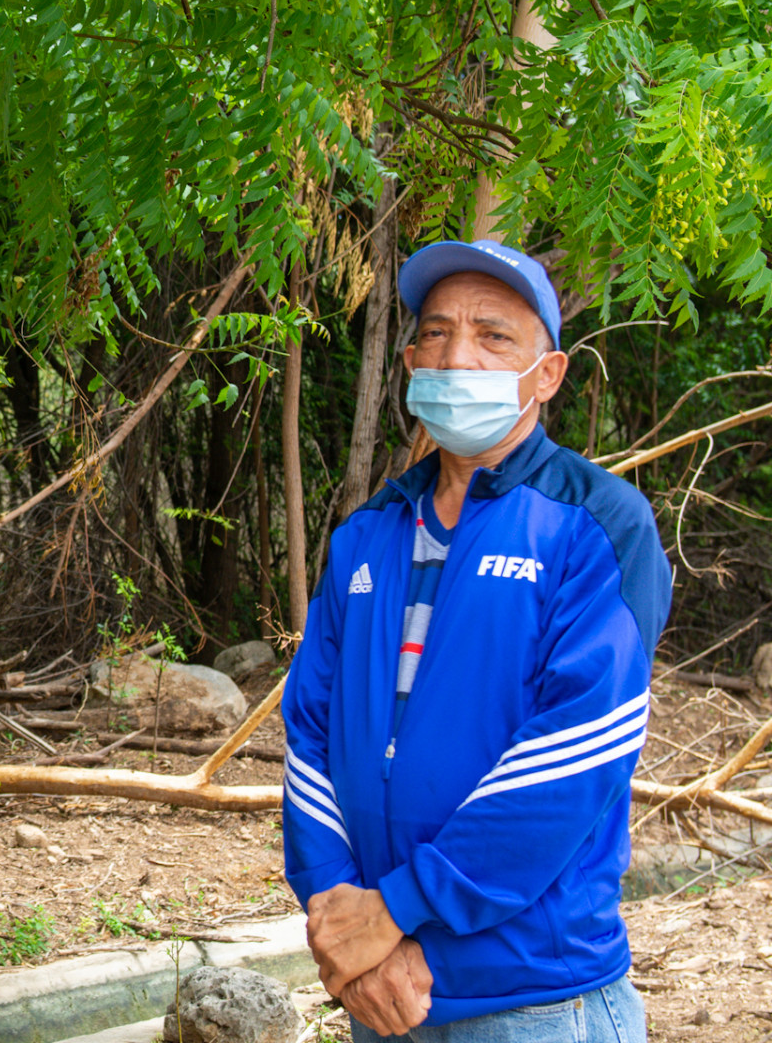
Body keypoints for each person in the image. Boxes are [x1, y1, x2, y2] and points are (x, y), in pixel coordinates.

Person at [281, 239, 668, 1042]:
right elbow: (309, 738)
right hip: (381, 994)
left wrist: (397, 909)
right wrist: (342, 919)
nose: (457, 356)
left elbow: (577, 753)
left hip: (532, 999)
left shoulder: (599, 525)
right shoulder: (366, 536)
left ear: (547, 374)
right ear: (410, 362)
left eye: (494, 336)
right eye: (436, 332)